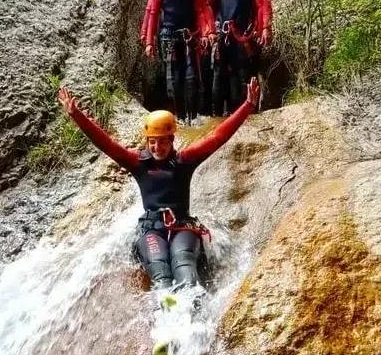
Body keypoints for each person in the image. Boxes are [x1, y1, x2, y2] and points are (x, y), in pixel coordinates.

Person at [57, 78, 261, 291]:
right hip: (152, 230)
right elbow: (106, 144)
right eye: (152, 141)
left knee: (185, 269)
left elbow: (218, 136)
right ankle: (167, 317)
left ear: (172, 140)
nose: (157, 146)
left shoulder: (184, 160)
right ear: (147, 141)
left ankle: (190, 317)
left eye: (163, 141)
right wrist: (77, 116)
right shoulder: (138, 163)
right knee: (161, 274)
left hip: (182, 226)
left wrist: (247, 106)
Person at [140, 0, 215, 124]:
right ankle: (180, 117)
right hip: (169, 38)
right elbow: (152, 13)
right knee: (175, 79)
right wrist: (149, 41)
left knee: (192, 76)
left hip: (189, 36)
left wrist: (209, 31)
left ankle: (194, 115)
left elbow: (202, 8)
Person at [207, 0, 273, 116]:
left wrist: (266, 27)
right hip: (224, 35)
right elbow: (207, 4)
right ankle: (217, 119)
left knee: (243, 77)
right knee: (218, 79)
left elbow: (263, 2)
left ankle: (248, 116)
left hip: (244, 36)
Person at [197, 0, 218, 115]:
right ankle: (206, 110)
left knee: (217, 73)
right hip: (203, 38)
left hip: (218, 35)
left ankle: (215, 109)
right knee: (204, 74)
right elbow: (203, 5)